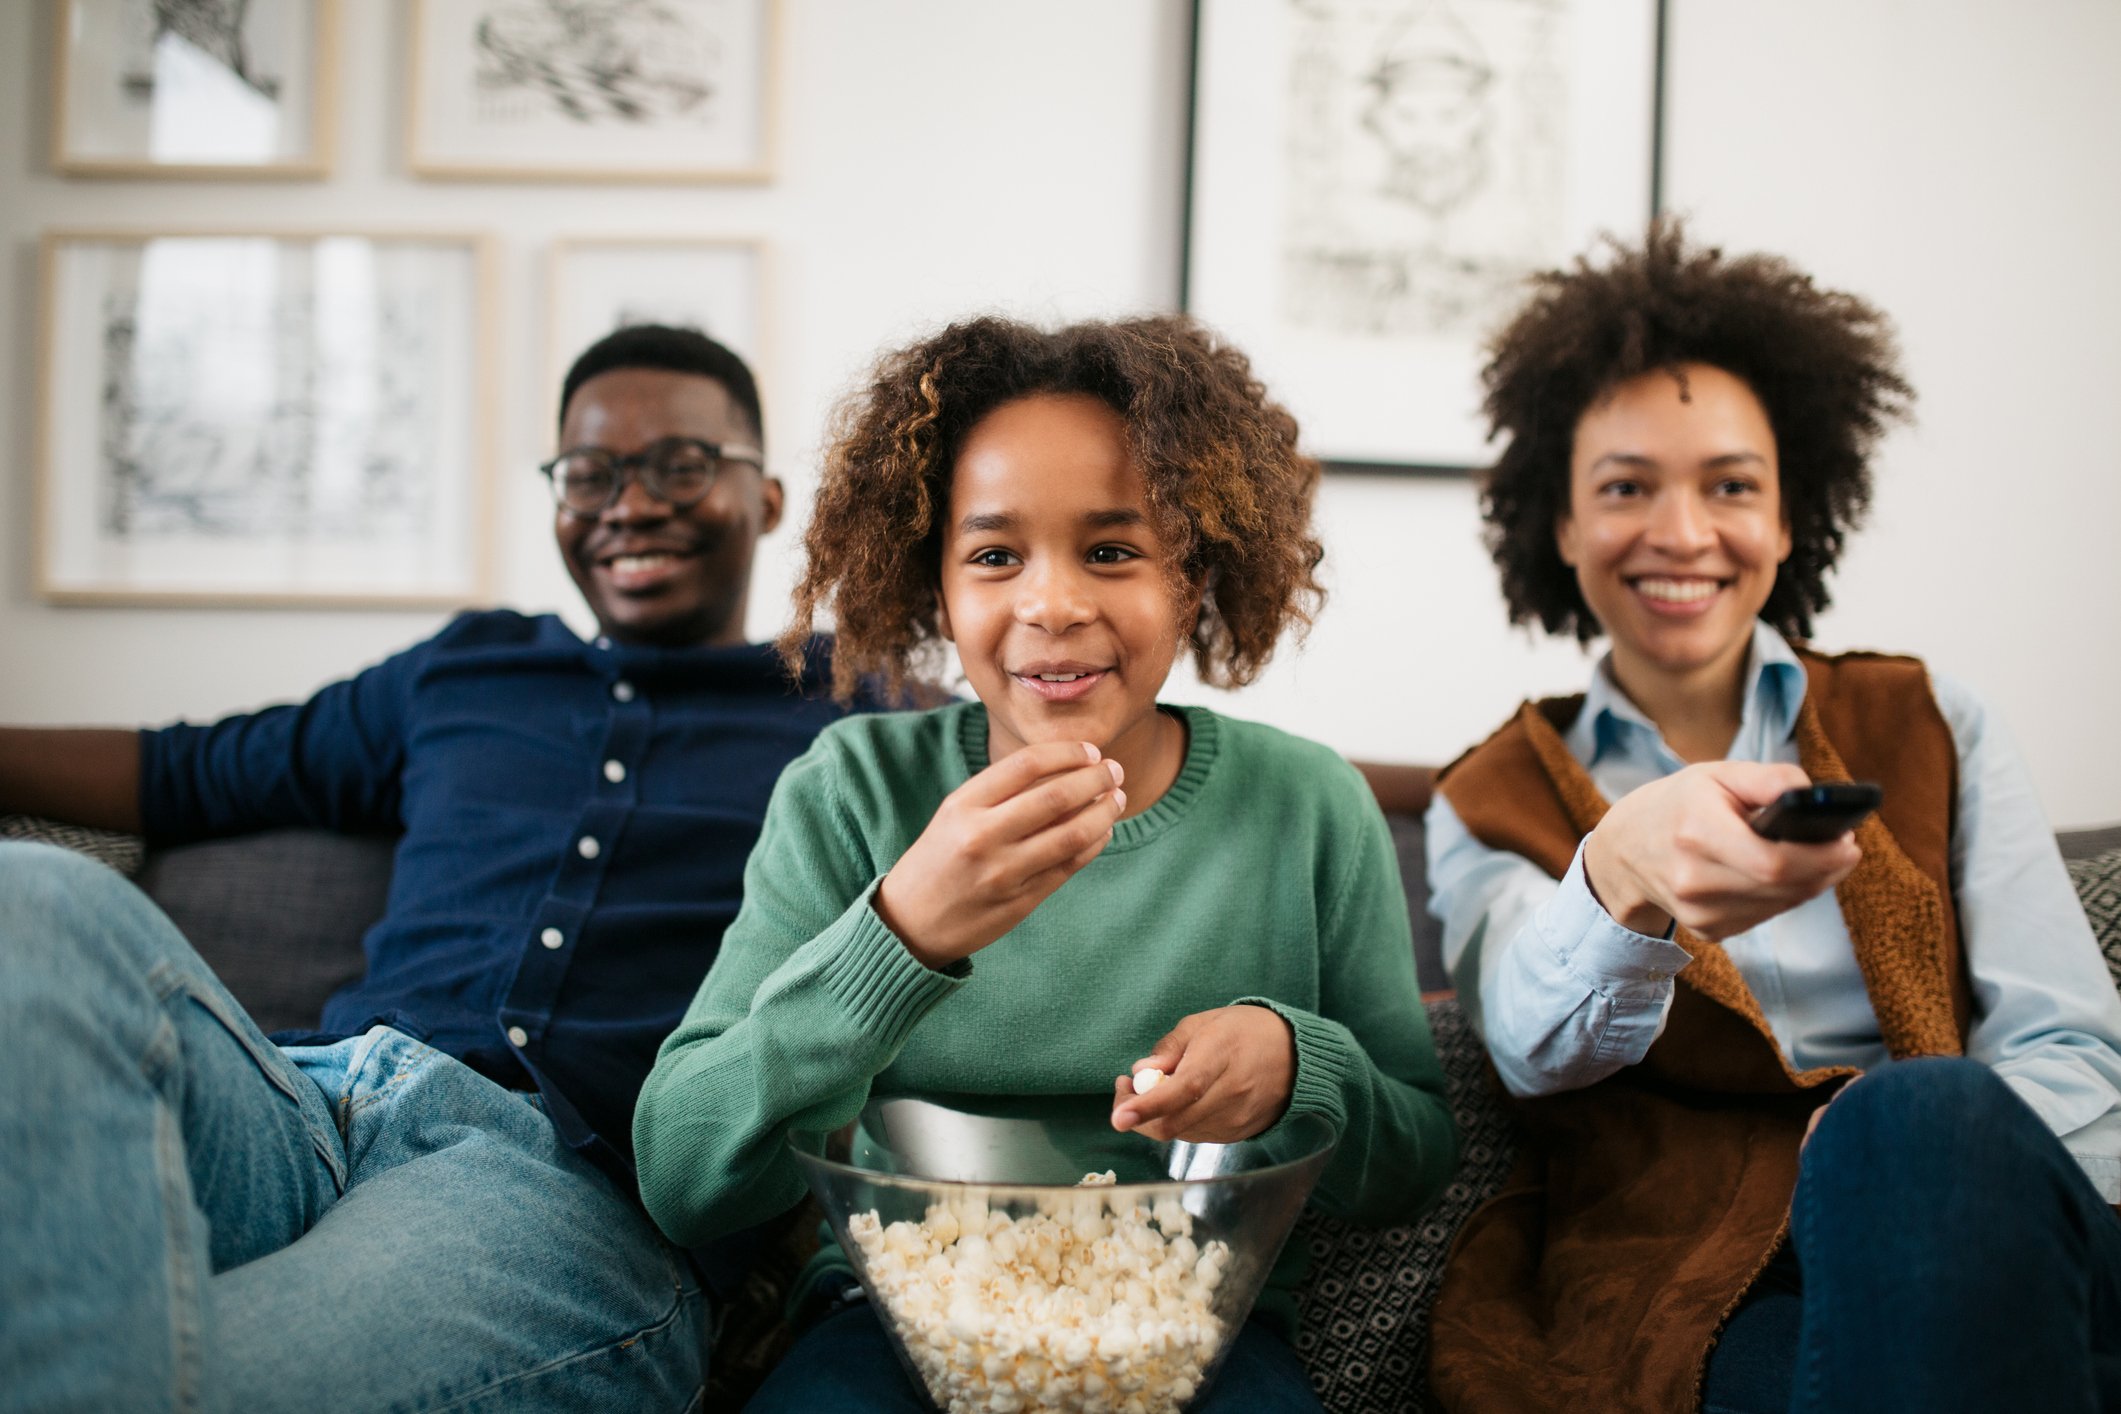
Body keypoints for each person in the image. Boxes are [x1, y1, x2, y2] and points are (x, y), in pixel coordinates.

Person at [0, 325, 891, 1410]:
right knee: (35, 897)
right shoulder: (470, 666)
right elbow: (182, 770)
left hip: (560, 1196)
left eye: (681, 466)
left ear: (765, 499)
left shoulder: (859, 712)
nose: (630, 503)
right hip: (301, 1101)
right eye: (590, 473)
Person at [630, 313, 1460, 1410]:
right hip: (893, 1323)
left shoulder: (1308, 806)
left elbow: (1415, 1162)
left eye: (1113, 551)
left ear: (1196, 576)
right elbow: (683, 1174)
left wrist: (1300, 1066)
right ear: (935, 584)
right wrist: (901, 932)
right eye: (994, 555)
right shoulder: (850, 793)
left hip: (1196, 1330)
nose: (1054, 604)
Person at [1420, 223, 2121, 1413]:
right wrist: (1619, 873)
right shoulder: (1490, 793)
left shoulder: (1934, 717)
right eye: (1626, 487)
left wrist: (1895, 1143)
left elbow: (2077, 1057)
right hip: (1704, 1282)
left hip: (1984, 1212)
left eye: (1731, 486)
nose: (1683, 534)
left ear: (1792, 518)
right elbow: (1526, 1043)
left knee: (1916, 1128)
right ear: (1562, 526)